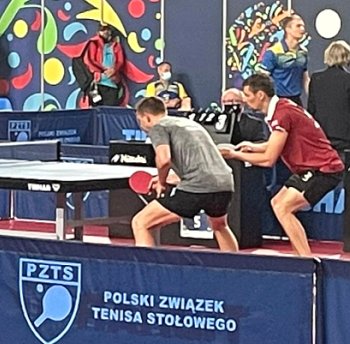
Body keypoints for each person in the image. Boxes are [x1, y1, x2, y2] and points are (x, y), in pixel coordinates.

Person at [219, 74, 343, 256]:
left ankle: (306, 261)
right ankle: (300, 257)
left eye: (247, 95)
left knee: (284, 208)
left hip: (324, 169)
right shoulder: (281, 108)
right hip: (308, 169)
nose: (244, 99)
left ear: (260, 95)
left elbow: (269, 159)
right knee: (277, 202)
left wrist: (234, 154)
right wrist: (251, 146)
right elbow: (274, 144)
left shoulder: (281, 114)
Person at [131, 97, 239, 252]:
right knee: (220, 226)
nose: (141, 125)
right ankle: (235, 265)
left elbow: (164, 160)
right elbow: (201, 165)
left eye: (140, 120)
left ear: (147, 117)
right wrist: (169, 178)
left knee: (141, 222)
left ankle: (146, 266)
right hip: (224, 184)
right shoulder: (189, 124)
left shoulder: (158, 127)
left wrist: (161, 182)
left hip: (198, 187)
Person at [307, 40, 350, 155]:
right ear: (347, 57)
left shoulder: (316, 79)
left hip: (321, 137)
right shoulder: (348, 80)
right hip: (345, 138)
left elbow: (311, 109)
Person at [261, 15, 308, 105]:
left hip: (297, 100)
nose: (302, 29)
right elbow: (262, 79)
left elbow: (305, 78)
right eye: (298, 26)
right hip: (278, 101)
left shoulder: (303, 52)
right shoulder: (273, 52)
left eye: (303, 26)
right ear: (288, 29)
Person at [81, 23, 126, 106]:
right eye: (103, 30)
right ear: (98, 32)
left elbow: (120, 61)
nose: (105, 32)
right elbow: (89, 60)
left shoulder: (116, 45)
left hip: (112, 82)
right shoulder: (93, 43)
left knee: (110, 109)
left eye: (107, 29)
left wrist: (113, 70)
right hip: (98, 82)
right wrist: (103, 70)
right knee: (96, 110)